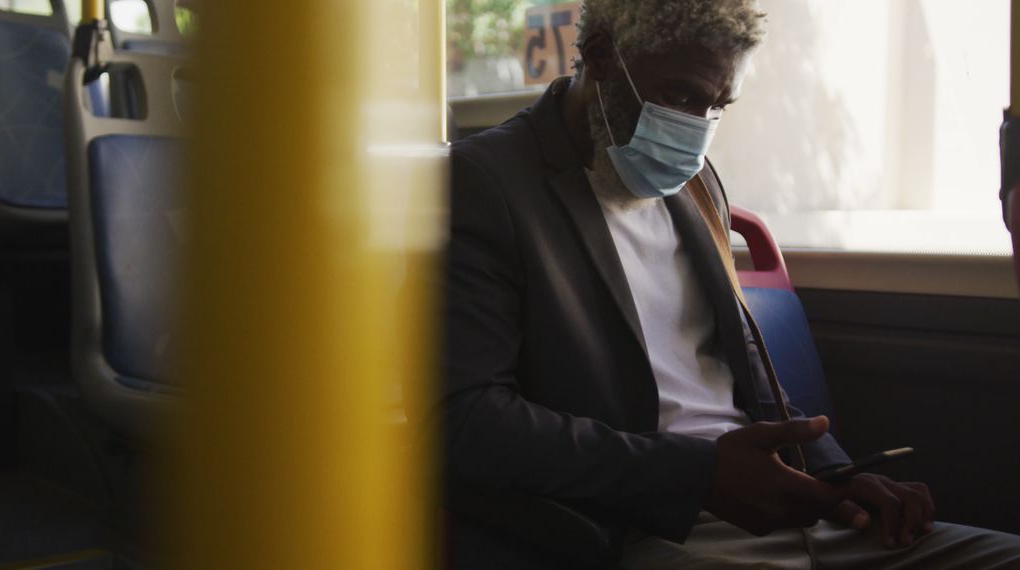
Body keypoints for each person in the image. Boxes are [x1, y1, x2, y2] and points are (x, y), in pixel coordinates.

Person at [418, 0, 1020, 567]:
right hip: (642, 521)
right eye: (678, 95)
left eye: (717, 107)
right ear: (600, 56)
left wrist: (836, 477)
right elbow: (466, 417)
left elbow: (741, 368)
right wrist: (697, 473)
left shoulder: (696, 184)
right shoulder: (488, 184)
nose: (695, 128)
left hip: (782, 504)